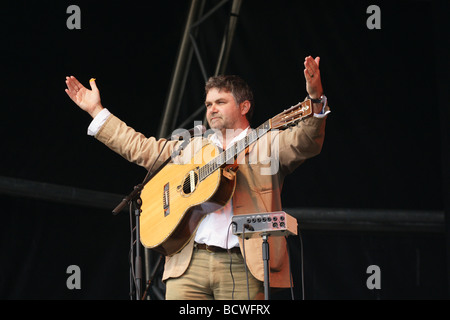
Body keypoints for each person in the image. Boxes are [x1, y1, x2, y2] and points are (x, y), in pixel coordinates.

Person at [65, 56, 330, 300]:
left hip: (243, 264)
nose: (212, 109)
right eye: (208, 104)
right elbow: (141, 148)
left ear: (244, 106)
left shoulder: (268, 143)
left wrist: (315, 98)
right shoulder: (192, 147)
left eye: (220, 102)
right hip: (188, 264)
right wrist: (97, 111)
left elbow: (306, 141)